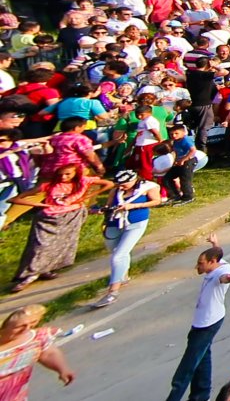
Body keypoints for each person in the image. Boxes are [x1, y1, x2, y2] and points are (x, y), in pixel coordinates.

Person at [10, 163, 113, 292]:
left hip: (71, 216)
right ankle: (30, 274)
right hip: (48, 219)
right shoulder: (48, 185)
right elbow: (15, 199)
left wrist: (86, 197)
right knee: (39, 246)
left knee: (61, 244)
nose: (63, 177)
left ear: (76, 173)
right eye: (61, 174)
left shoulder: (84, 181)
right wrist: (40, 205)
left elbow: (109, 184)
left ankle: (46, 269)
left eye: (67, 174)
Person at [165, 235, 230, 401]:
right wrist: (215, 244)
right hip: (202, 322)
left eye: (201, 263)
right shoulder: (222, 262)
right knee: (203, 358)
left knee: (187, 365)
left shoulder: (223, 272)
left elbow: (223, 278)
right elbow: (219, 254)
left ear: (212, 262)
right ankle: (201, 396)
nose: (198, 266)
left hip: (207, 324)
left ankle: (174, 397)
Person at [93, 168, 162, 308]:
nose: (121, 186)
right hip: (115, 223)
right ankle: (122, 276)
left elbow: (156, 201)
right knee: (115, 251)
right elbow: (109, 204)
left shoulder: (148, 187)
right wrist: (103, 210)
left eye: (124, 184)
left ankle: (113, 292)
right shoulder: (116, 191)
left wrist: (133, 206)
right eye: (119, 184)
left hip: (136, 223)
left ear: (133, 180)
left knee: (118, 256)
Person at [0, 305, 74, 400]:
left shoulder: (36, 339)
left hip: (13, 394)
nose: (27, 329)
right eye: (19, 326)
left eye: (32, 323)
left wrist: (63, 369)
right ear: (3, 328)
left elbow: (48, 353)